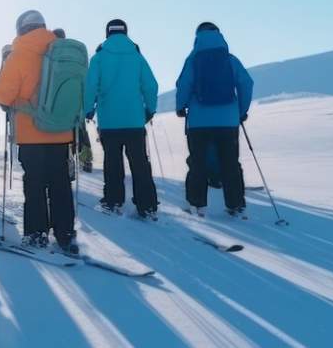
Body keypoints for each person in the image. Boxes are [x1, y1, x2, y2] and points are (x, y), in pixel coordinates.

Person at [0, 10, 78, 251]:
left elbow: (4, 94)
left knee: (35, 184)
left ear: (21, 28)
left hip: (31, 133)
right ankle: (65, 234)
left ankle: (36, 233)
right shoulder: (62, 52)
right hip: (61, 130)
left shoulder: (19, 54)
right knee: (60, 183)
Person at [175, 22, 255, 216]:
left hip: (199, 122)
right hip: (228, 121)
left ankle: (197, 204)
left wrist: (180, 107)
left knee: (198, 162)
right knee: (230, 163)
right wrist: (241, 111)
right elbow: (246, 83)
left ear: (197, 37)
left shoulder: (192, 60)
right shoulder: (230, 60)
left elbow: (184, 85)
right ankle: (235, 204)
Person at [84, 18, 160, 218]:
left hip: (109, 121)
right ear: (125, 32)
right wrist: (150, 109)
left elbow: (90, 86)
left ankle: (113, 201)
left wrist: (88, 109)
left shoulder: (99, 58)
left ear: (107, 33)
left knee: (113, 162)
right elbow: (151, 86)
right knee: (140, 163)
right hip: (134, 120)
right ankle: (148, 205)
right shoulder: (137, 57)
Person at [54, 27, 95, 172]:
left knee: (62, 131)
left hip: (59, 100)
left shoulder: (52, 54)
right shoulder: (75, 54)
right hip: (77, 99)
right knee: (80, 129)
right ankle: (86, 159)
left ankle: (68, 160)